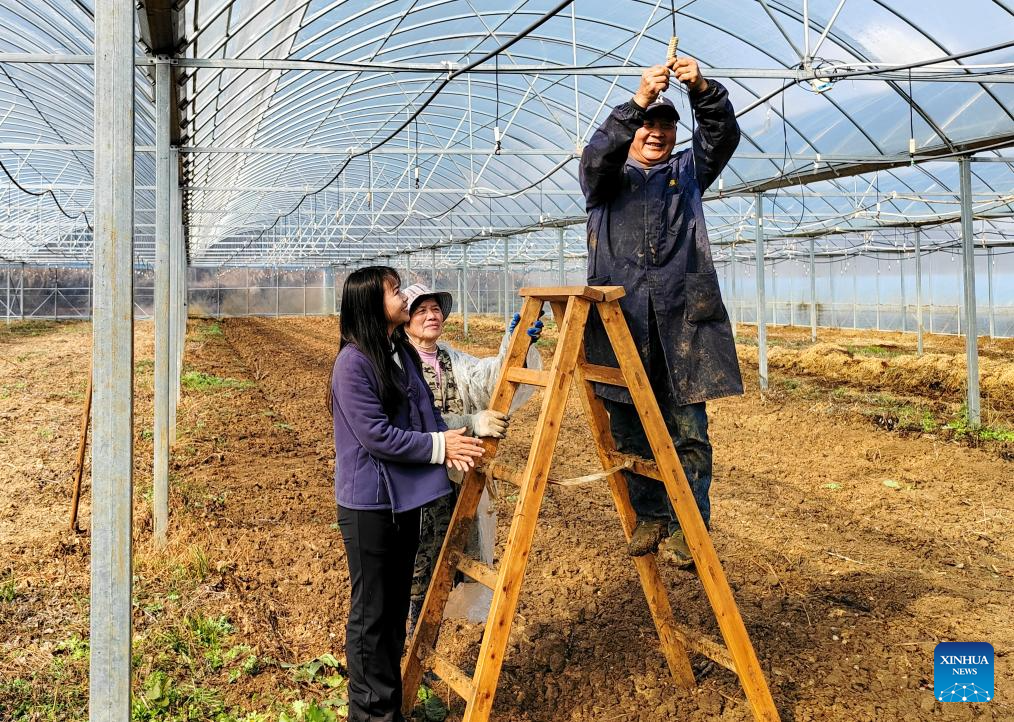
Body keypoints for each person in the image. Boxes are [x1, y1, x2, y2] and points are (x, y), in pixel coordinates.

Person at [579, 56, 742, 567]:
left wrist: (703, 89)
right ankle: (650, 514)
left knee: (689, 432)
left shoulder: (686, 172)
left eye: (666, 126)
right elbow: (595, 156)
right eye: (647, 125)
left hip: (682, 330)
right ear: (633, 131)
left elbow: (722, 136)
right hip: (621, 326)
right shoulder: (606, 181)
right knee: (630, 430)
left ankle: (687, 526)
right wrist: (638, 101)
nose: (656, 133)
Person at [329, 266, 485, 722]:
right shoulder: (353, 363)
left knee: (394, 608)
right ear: (370, 303)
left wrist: (458, 440)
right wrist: (440, 446)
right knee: (372, 615)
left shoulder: (399, 352)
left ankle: (388, 709)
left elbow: (425, 412)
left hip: (404, 501)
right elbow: (377, 435)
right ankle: (370, 714)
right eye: (395, 291)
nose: (403, 297)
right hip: (369, 505)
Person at [399, 283, 543, 630]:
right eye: (421, 311)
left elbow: (488, 380)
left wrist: (515, 346)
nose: (431, 316)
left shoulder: (451, 359)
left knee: (454, 547)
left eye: (436, 309)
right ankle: (411, 634)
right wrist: (472, 422)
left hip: (457, 473)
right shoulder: (398, 364)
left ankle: (430, 629)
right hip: (417, 477)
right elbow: (410, 423)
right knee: (418, 557)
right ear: (405, 321)